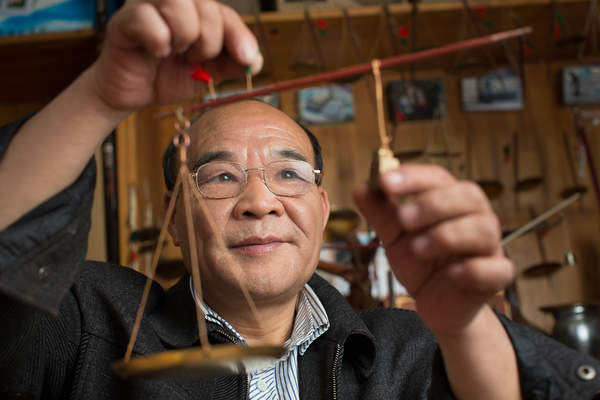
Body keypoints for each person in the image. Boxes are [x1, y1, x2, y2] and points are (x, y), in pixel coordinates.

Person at [0, 1, 598, 399]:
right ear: (174, 219)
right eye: (220, 178)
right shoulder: (89, 323)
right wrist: (102, 97)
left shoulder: (402, 351)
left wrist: (466, 324)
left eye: (289, 175)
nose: (260, 202)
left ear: (320, 202)